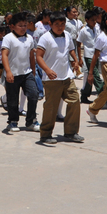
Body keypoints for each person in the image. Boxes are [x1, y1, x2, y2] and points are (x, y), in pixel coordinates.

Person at [36, 11, 83, 144]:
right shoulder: (45, 38)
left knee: (74, 101)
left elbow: (71, 49)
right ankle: (45, 134)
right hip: (51, 79)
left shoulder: (67, 35)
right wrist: (47, 70)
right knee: (51, 107)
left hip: (66, 76)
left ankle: (71, 132)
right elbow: (38, 56)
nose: (60, 27)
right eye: (57, 24)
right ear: (50, 24)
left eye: (62, 24)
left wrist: (75, 60)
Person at [1, 11, 40, 133]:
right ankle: (12, 122)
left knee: (34, 95)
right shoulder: (8, 38)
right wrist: (8, 72)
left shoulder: (29, 38)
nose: (23, 28)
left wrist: (33, 71)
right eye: (20, 25)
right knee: (13, 100)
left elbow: (31, 55)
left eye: (25, 25)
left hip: (27, 73)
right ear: (12, 26)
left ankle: (31, 121)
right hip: (13, 74)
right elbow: (4, 55)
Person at [78, 10, 103, 104]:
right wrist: (79, 58)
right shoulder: (83, 31)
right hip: (88, 56)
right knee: (96, 76)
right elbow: (78, 43)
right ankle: (103, 96)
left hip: (96, 55)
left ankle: (84, 95)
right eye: (92, 20)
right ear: (87, 20)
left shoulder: (96, 29)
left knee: (90, 76)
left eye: (95, 20)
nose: (94, 22)